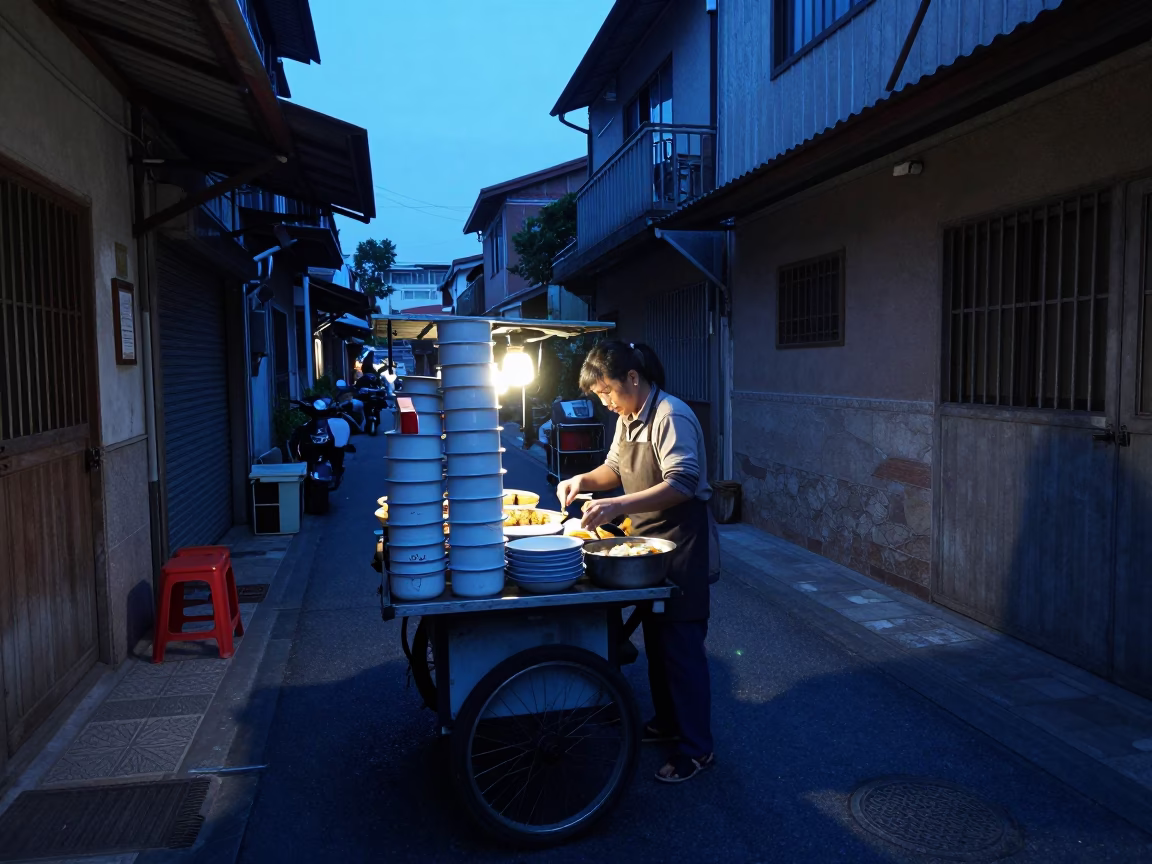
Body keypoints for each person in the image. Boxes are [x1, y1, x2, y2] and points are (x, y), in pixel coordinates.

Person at [557, 340, 715, 783]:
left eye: (608, 392)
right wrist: (582, 479)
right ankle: (668, 723)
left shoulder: (671, 416)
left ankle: (697, 748)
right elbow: (614, 467)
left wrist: (615, 505)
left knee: (682, 648)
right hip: (646, 543)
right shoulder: (629, 418)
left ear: (632, 378)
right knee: (658, 642)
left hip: (680, 543)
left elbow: (683, 482)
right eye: (600, 397)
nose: (606, 404)